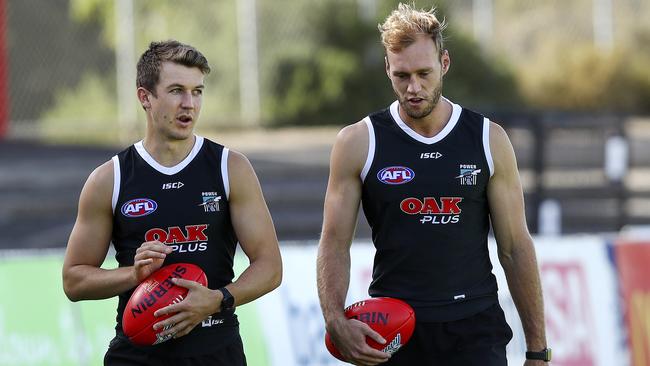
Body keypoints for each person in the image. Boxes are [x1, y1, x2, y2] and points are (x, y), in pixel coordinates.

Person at [316, 4, 549, 365]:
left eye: (424, 73)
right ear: (387, 70)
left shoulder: (488, 139)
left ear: (445, 63)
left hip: (475, 328)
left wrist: (538, 349)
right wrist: (334, 318)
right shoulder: (358, 142)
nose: (413, 87)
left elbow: (515, 248)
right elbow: (333, 241)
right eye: (401, 75)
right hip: (394, 329)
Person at [62, 40, 282, 365]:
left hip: (216, 351)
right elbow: (74, 280)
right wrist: (132, 275)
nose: (189, 104)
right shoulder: (110, 178)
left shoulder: (230, 167)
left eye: (197, 91)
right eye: (177, 90)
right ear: (145, 97)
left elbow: (270, 267)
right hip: (137, 354)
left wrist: (218, 299)